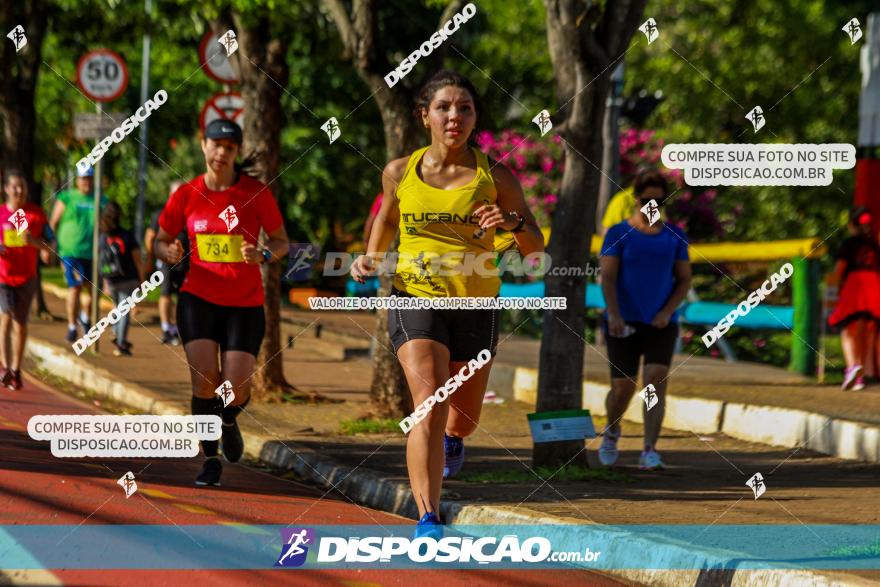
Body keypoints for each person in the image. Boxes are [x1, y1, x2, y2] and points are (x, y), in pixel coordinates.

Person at [350, 70, 544, 533]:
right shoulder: (399, 171)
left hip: (477, 306)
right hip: (415, 297)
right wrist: (369, 259)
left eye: (465, 108)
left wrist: (512, 223)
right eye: (444, 107)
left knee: (462, 419)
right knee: (429, 404)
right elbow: (386, 219)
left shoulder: (496, 176)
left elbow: (535, 248)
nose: (454, 115)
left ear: (474, 118)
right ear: (425, 116)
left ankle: (454, 440)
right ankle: (427, 515)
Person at [153, 119, 289, 487]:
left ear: (236, 152)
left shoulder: (256, 193)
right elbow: (159, 239)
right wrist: (168, 250)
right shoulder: (186, 194)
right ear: (203, 146)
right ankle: (210, 457)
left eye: (228, 148)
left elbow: (281, 242)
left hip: (244, 302)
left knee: (237, 386)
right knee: (204, 381)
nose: (220, 152)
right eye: (215, 145)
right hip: (198, 298)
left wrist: (261, 254)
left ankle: (228, 418)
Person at [598, 169, 691, 470]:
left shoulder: (675, 237)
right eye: (645, 199)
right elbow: (608, 278)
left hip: (660, 323)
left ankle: (649, 448)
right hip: (623, 320)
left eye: (658, 199)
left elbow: (683, 280)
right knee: (623, 387)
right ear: (636, 199)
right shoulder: (617, 233)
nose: (651, 204)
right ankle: (612, 430)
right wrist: (613, 313)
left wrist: (667, 312)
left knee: (654, 380)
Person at [0, 170, 51, 390]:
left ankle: (16, 370)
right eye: (15, 187)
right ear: (6, 189)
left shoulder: (35, 215)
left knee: (20, 325)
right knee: (6, 316)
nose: (19, 191)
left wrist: (34, 242)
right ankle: (5, 368)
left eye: (23, 187)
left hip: (27, 277)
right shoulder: (1, 214)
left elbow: (49, 244)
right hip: (3, 276)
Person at [49, 165, 106, 344]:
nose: (86, 182)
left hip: (92, 254)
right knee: (75, 288)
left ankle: (84, 317)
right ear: (77, 181)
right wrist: (52, 248)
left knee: (93, 291)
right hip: (70, 252)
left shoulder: (100, 199)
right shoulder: (67, 197)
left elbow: (106, 224)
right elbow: (54, 222)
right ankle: (72, 326)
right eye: (83, 179)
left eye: (89, 178)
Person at [828, 207, 880, 391]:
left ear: (852, 224)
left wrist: (834, 288)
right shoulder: (873, 245)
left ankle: (851, 367)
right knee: (866, 331)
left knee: (847, 329)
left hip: (856, 286)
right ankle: (860, 377)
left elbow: (840, 269)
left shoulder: (849, 243)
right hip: (874, 286)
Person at [144, 180, 187, 345]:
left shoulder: (189, 213)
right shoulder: (160, 213)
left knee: (184, 296)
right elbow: (150, 237)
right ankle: (166, 328)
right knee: (166, 292)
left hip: (186, 261)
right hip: (166, 259)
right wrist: (150, 257)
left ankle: (178, 328)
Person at [99, 202, 144, 356]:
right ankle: (121, 342)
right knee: (124, 311)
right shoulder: (127, 235)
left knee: (118, 307)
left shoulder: (103, 237)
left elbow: (101, 261)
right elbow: (137, 259)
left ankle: (115, 332)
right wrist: (142, 280)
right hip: (128, 278)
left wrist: (105, 282)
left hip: (111, 279)